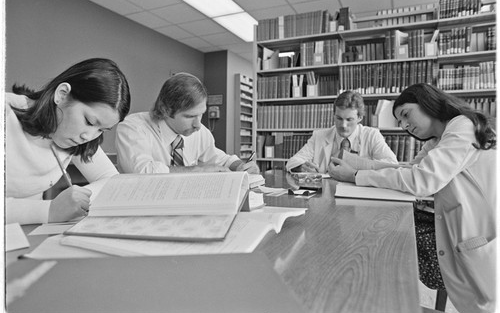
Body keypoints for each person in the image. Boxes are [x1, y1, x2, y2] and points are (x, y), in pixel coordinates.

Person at [328, 83, 496, 313]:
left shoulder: (462, 127)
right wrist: (356, 167)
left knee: (383, 233)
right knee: (382, 229)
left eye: (406, 115)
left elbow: (422, 180)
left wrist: (356, 175)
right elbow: (405, 169)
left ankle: (371, 300)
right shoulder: (437, 140)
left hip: (473, 237)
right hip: (454, 226)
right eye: (400, 122)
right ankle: (369, 296)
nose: (405, 126)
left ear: (428, 100)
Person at [5, 58, 131, 225]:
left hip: (26, 233)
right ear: (62, 94)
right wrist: (50, 210)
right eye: (90, 122)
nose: (89, 136)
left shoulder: (76, 136)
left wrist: (78, 199)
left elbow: (110, 179)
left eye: (101, 130)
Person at [115, 72, 260, 174]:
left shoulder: (199, 131)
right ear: (166, 109)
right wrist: (196, 170)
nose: (198, 124)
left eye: (201, 114)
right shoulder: (133, 127)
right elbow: (142, 172)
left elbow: (218, 157)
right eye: (190, 116)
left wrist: (240, 165)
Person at [286, 90, 398, 173]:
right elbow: (293, 161)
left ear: (360, 118)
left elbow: (392, 165)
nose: (343, 125)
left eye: (349, 120)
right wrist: (301, 167)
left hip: (358, 193)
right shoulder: (319, 135)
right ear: (334, 115)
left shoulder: (372, 135)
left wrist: (361, 166)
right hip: (325, 194)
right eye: (339, 118)